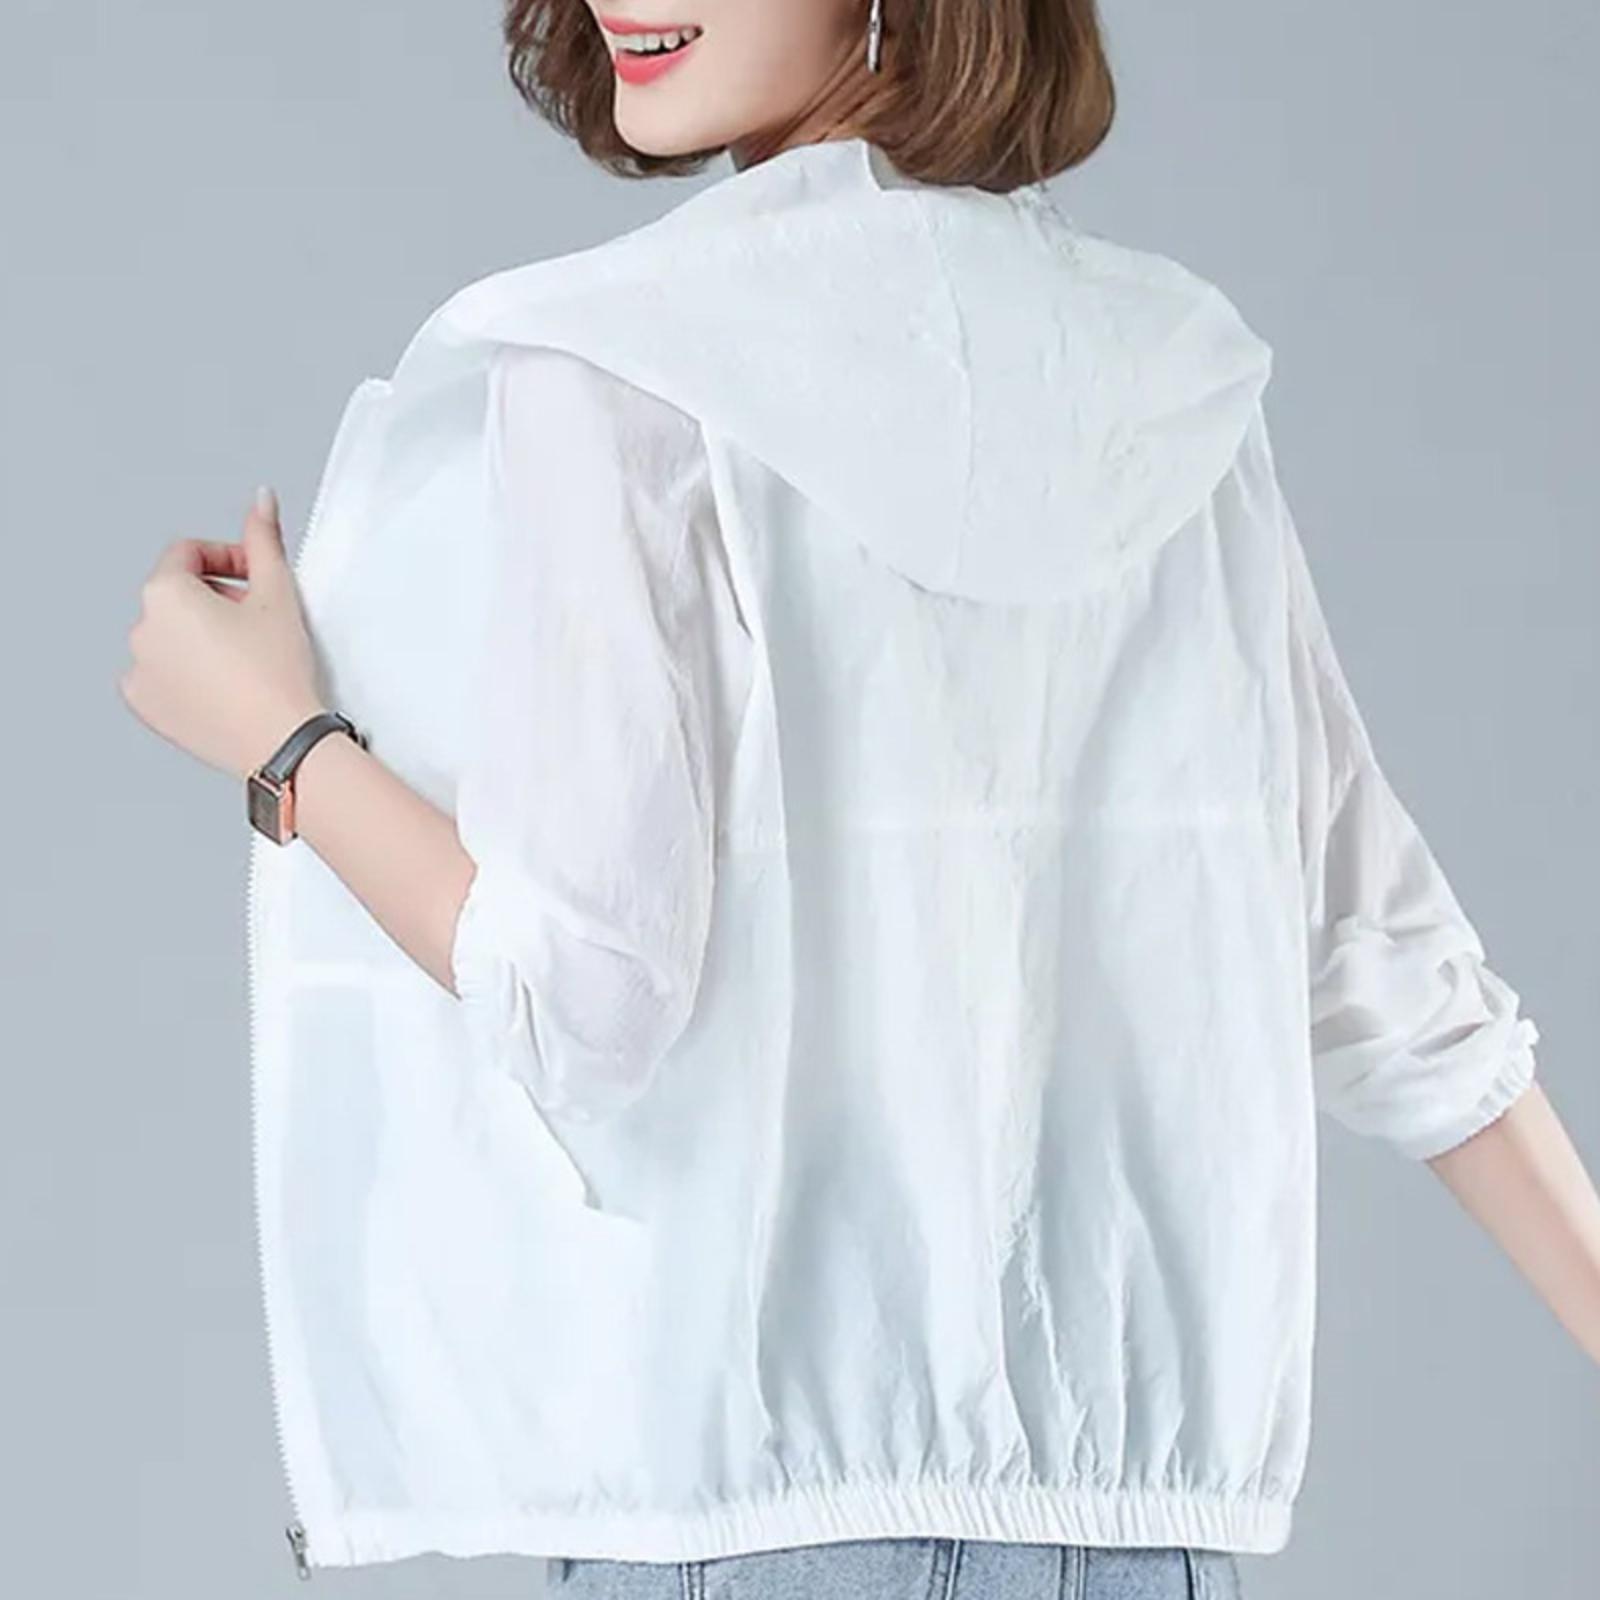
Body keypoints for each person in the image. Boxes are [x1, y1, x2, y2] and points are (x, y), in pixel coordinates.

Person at [117, 0, 1600, 1595]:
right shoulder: (1171, 387)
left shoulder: (621, 366)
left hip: (745, 1527)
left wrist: (286, 747)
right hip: (1137, 1539)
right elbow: (1386, 968)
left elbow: (588, 999)